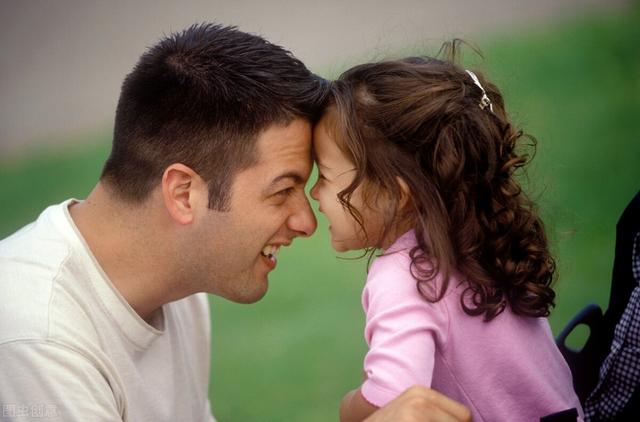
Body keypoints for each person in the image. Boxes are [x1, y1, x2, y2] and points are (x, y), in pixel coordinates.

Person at [0, 24, 470, 421]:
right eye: (283, 189)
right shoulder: (36, 341)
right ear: (185, 194)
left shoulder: (178, 289)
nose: (306, 221)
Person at [309, 45, 584, 421]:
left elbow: (394, 398)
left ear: (394, 193)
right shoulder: (477, 240)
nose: (314, 193)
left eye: (324, 175)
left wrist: (349, 407)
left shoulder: (404, 277)